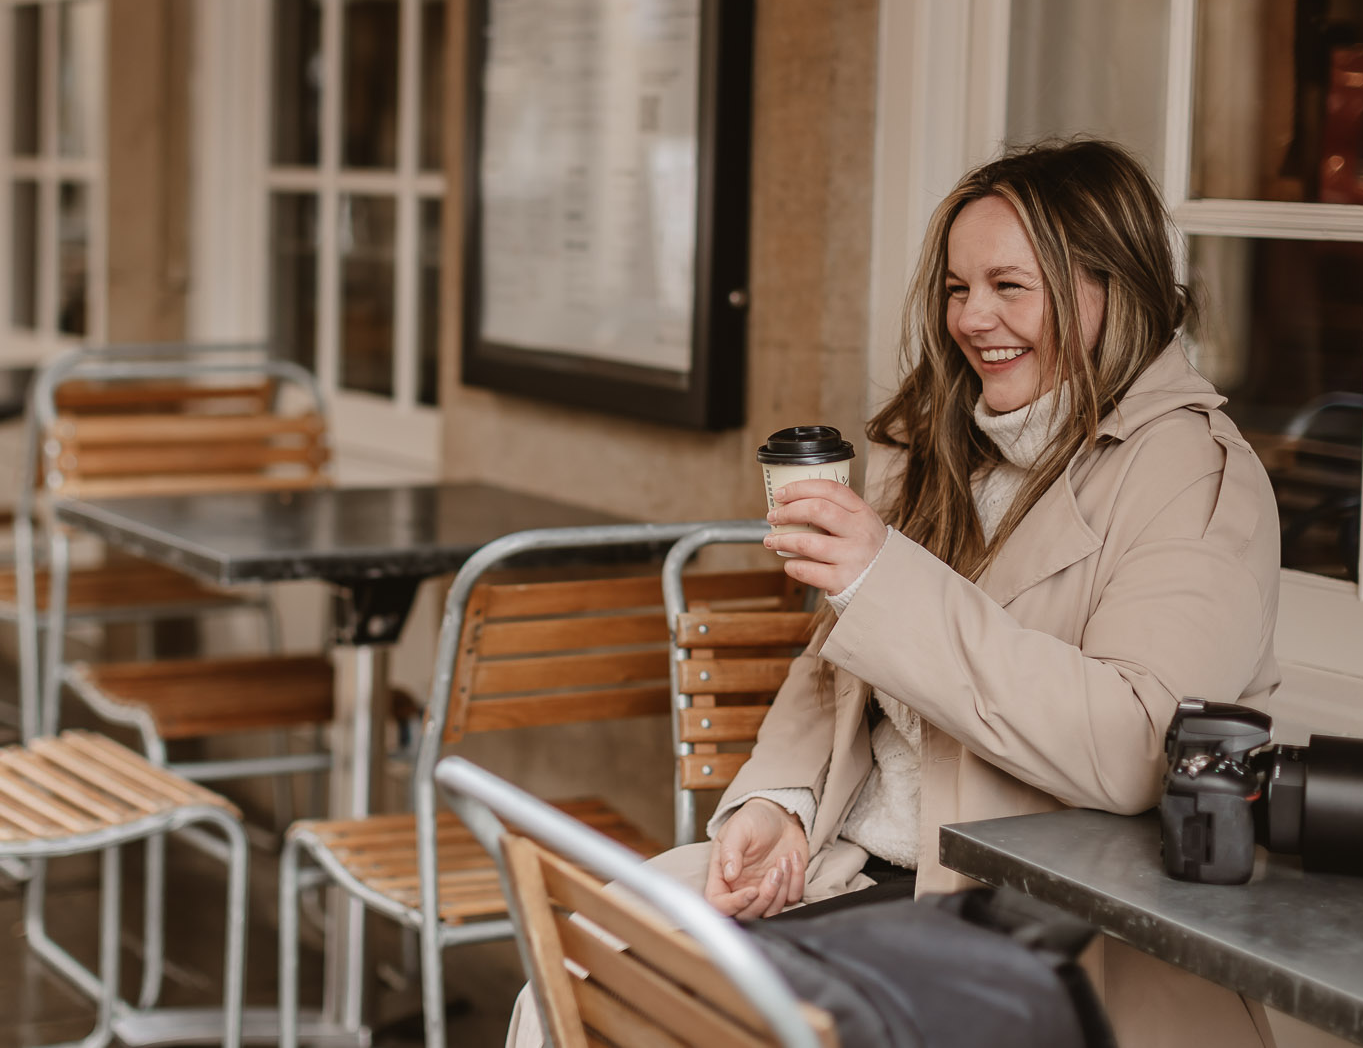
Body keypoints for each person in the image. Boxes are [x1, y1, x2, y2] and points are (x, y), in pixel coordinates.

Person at [507, 139, 1284, 1048]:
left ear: (1108, 290)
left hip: (1025, 922)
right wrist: (780, 804)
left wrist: (887, 578)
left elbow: (1138, 745)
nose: (973, 318)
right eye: (958, 288)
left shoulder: (1194, 472)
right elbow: (832, 665)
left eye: (1009, 285)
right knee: (574, 981)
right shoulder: (937, 438)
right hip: (852, 867)